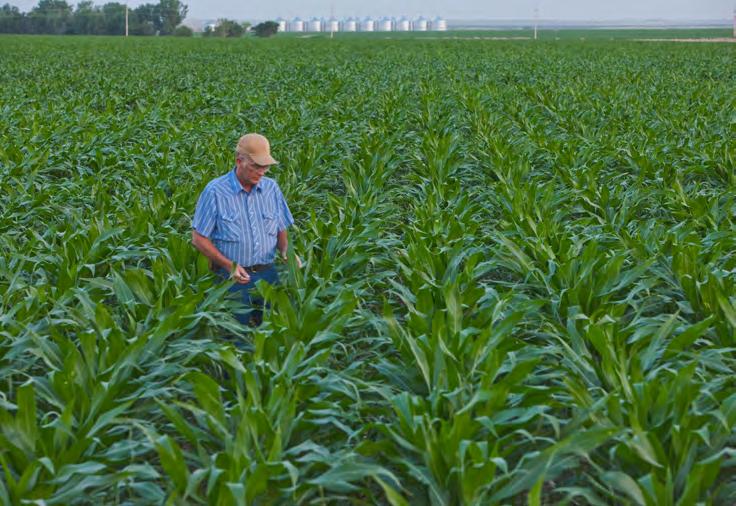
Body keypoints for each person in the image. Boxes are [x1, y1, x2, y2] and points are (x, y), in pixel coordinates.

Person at [191, 133, 298, 326]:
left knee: (273, 329)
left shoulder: (271, 188)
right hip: (232, 279)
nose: (262, 172)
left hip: (268, 274)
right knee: (236, 335)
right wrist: (228, 265)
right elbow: (199, 238)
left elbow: (280, 226)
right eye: (257, 166)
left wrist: (285, 251)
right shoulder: (215, 191)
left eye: (266, 166)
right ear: (239, 161)